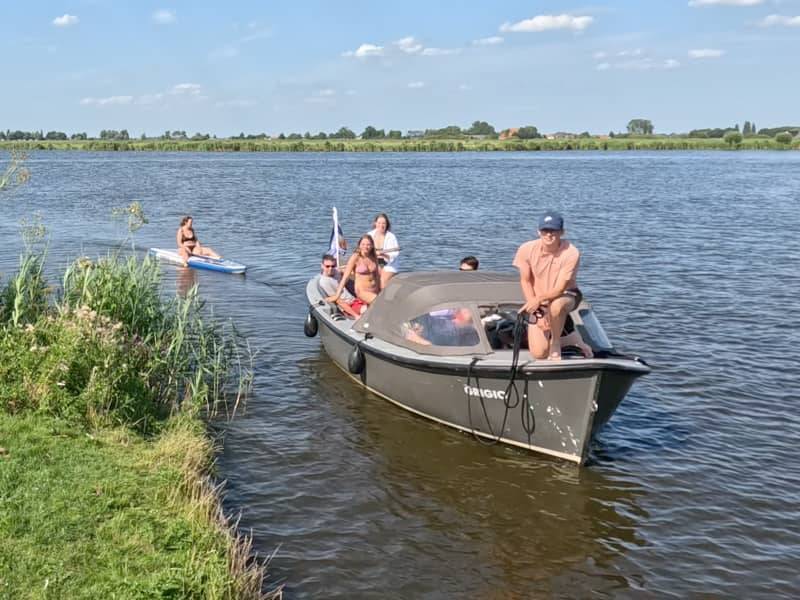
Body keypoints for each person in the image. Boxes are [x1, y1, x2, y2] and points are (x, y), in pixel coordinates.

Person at [513, 210, 593, 360]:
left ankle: (556, 343)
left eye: (554, 231)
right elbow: (525, 280)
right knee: (539, 353)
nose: (549, 235)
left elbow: (560, 288)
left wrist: (541, 303)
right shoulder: (525, 249)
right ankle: (573, 339)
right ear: (538, 232)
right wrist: (537, 308)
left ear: (562, 232)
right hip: (540, 299)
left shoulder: (571, 252)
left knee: (557, 306)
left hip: (567, 295)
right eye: (545, 230)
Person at [327, 234, 381, 306]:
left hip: (374, 289)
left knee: (376, 305)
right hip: (361, 290)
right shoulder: (355, 257)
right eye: (363, 244)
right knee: (378, 301)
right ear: (359, 245)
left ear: (372, 246)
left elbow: (377, 275)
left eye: (368, 244)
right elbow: (345, 277)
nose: (366, 246)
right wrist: (337, 295)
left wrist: (380, 289)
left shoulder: (373, 257)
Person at [318, 253, 367, 318]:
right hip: (349, 305)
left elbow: (343, 271)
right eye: (327, 266)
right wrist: (356, 315)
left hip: (355, 299)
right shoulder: (325, 282)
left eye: (333, 266)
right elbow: (339, 301)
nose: (330, 268)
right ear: (322, 266)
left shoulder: (336, 272)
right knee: (370, 309)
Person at [368, 213, 400, 288]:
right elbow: (364, 248)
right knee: (368, 280)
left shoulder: (391, 237)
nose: (381, 225)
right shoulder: (370, 235)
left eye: (383, 223)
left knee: (382, 282)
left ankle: (382, 298)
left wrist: (383, 255)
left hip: (388, 264)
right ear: (375, 223)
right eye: (379, 223)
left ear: (387, 225)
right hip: (374, 262)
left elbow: (394, 254)